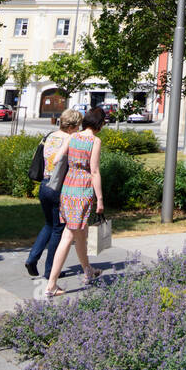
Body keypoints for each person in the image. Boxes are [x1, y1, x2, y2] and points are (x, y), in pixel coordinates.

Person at [44, 106, 105, 298]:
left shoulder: (72, 137)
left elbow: (57, 159)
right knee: (69, 235)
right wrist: (100, 199)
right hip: (83, 189)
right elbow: (94, 171)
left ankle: (87, 270)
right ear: (99, 124)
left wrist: (72, 165)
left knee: (79, 233)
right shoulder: (94, 141)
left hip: (68, 187)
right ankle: (52, 284)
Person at [25, 108, 82, 279]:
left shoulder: (50, 135)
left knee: (49, 224)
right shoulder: (70, 140)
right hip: (59, 187)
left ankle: (32, 258)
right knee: (59, 228)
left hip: (44, 184)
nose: (79, 129)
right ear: (72, 126)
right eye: (78, 125)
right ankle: (51, 271)